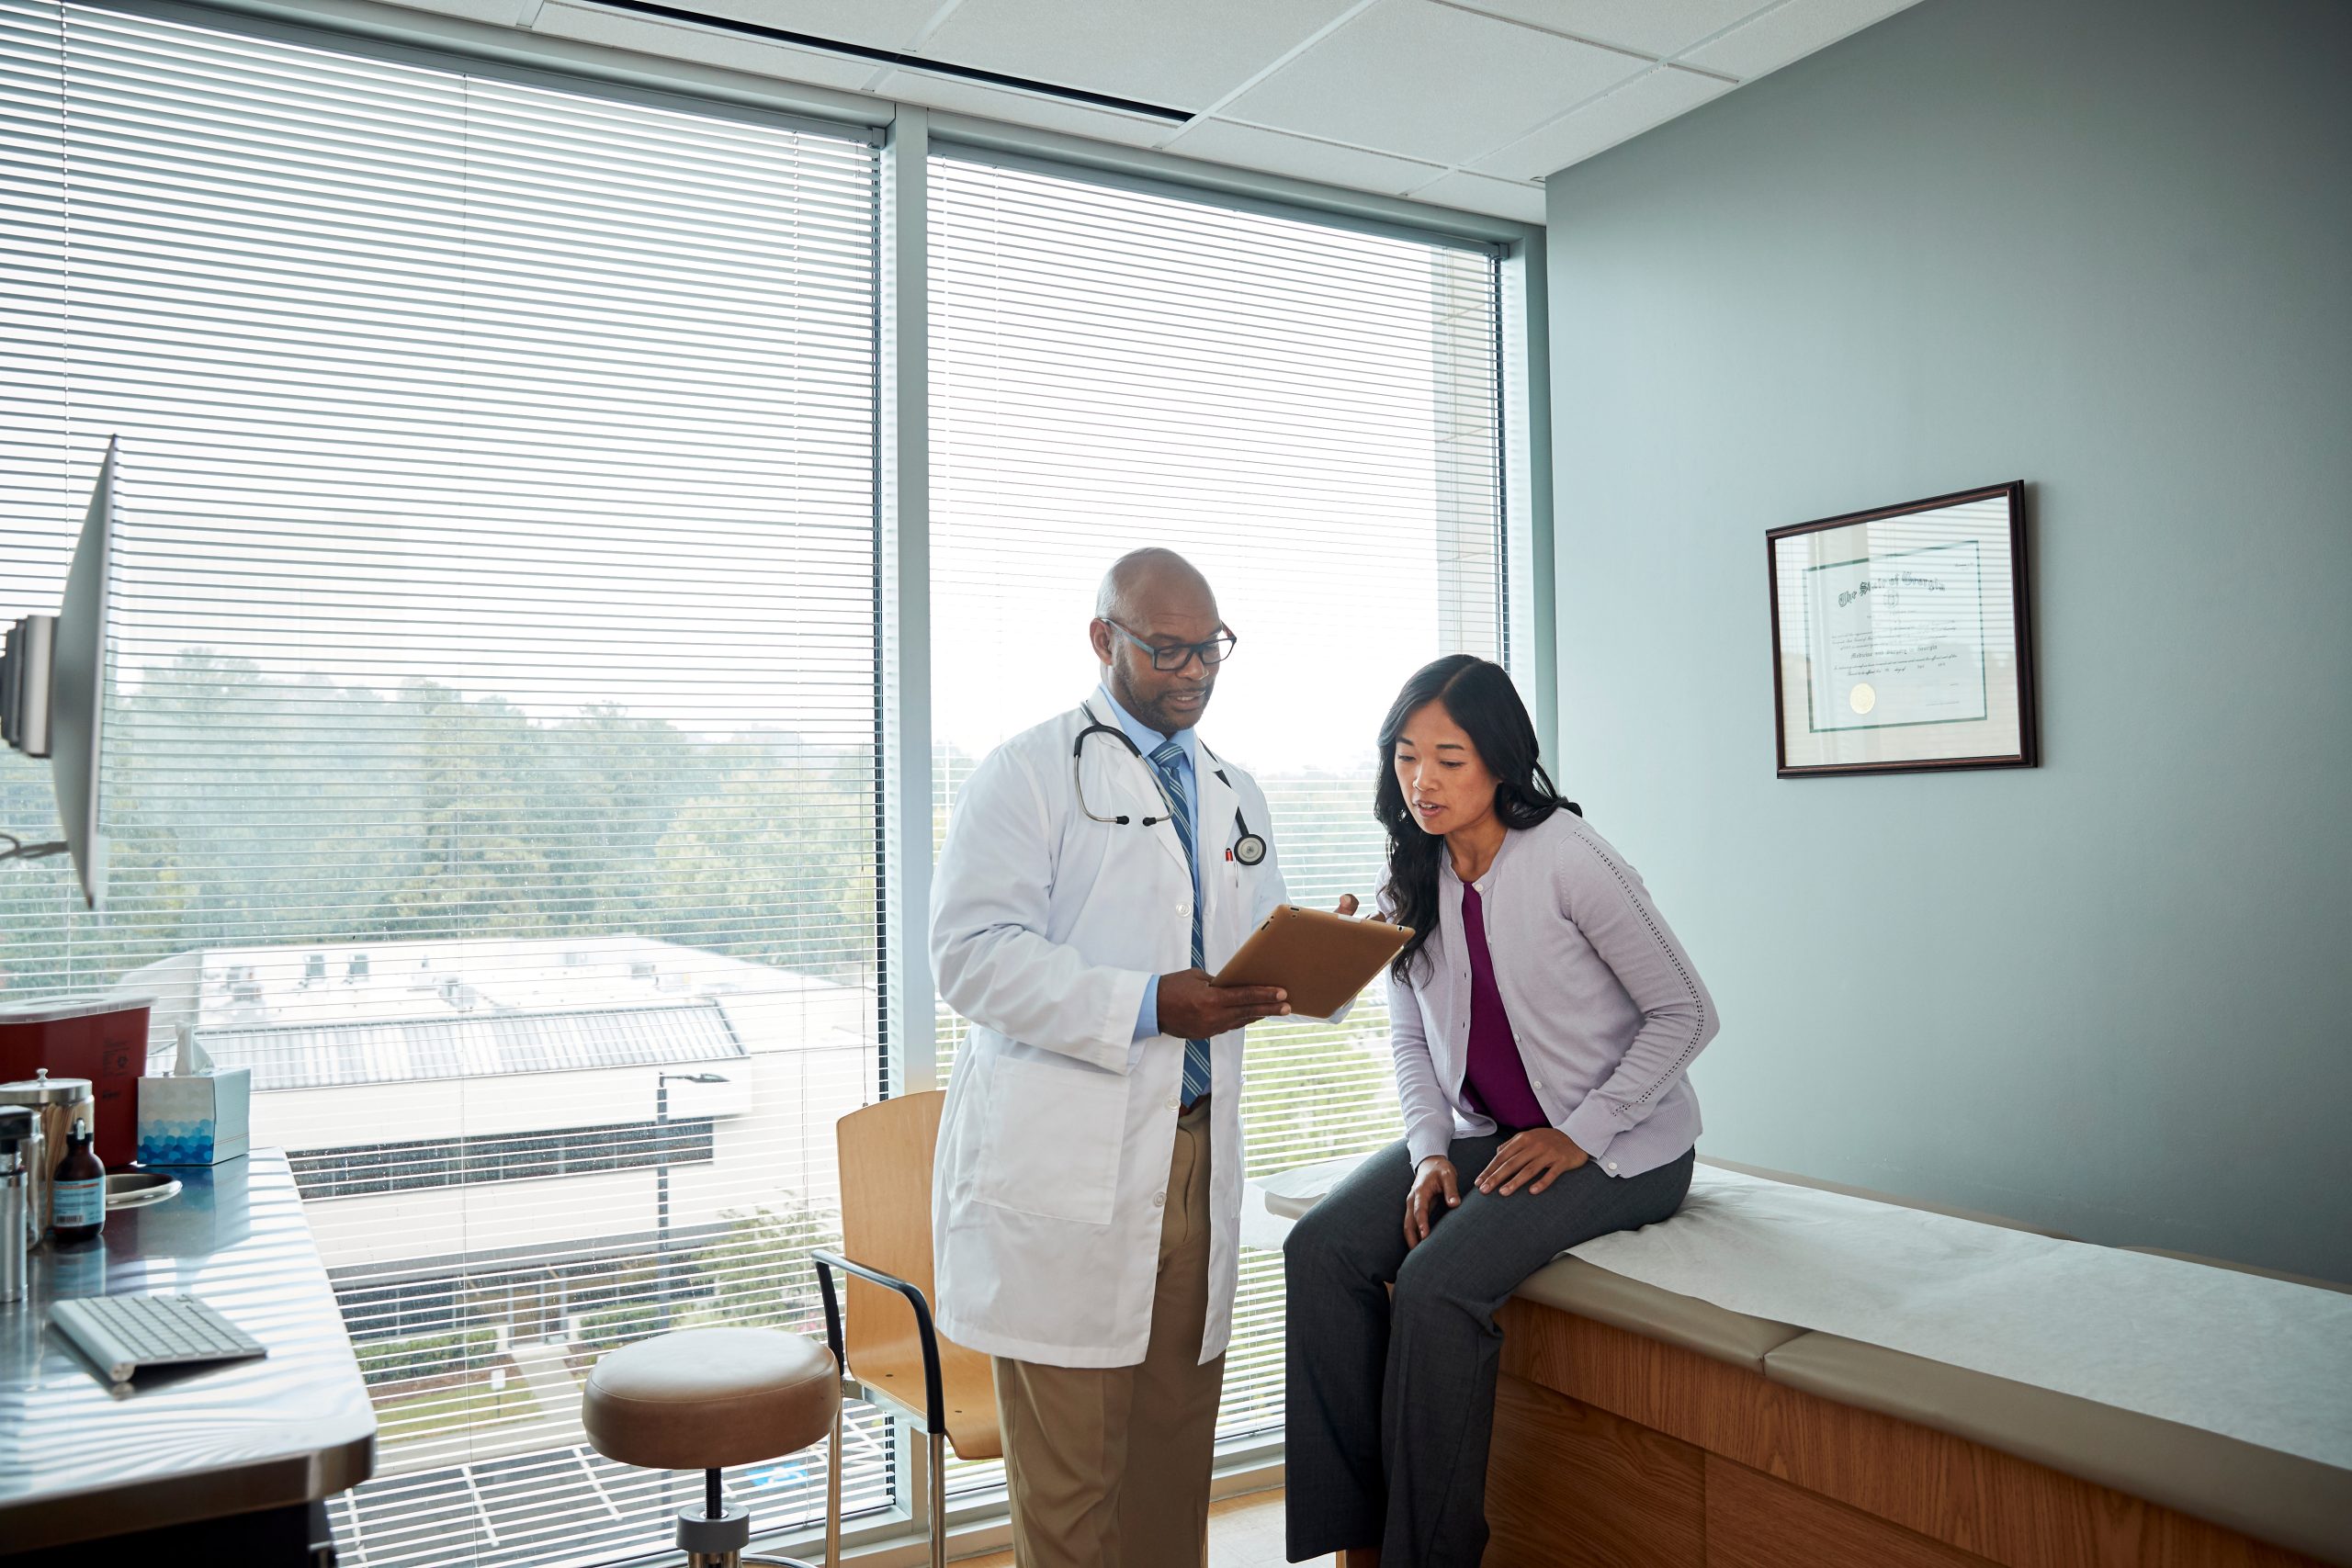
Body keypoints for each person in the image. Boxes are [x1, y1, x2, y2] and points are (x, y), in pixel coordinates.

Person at [931, 547, 1356, 1568]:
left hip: (1195, 1157)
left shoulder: (1233, 788)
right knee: (1073, 1488)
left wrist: (1325, 947)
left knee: (1173, 1463)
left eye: (1209, 649)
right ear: (1103, 639)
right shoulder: (1027, 772)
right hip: (1067, 1160)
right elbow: (968, 958)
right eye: (1167, 649)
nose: (1194, 672)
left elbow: (1249, 951)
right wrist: (1144, 1003)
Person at [1283, 654, 1720, 1567]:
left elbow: (1687, 1012)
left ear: (1500, 761)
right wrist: (1429, 1149)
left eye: (1449, 756)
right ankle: (1352, 1546)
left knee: (1439, 1285)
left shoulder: (1570, 859)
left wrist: (1582, 1131)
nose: (1422, 780)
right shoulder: (1415, 870)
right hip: (1483, 1137)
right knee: (1320, 1248)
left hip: (1621, 1146)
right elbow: (1410, 1039)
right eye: (1406, 756)